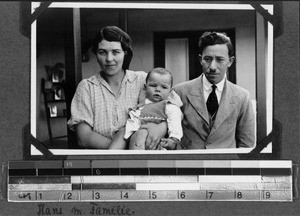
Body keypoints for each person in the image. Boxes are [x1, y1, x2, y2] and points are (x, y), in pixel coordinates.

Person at [67, 26, 166, 149]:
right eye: (102, 52)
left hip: (144, 158)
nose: (109, 59)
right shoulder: (87, 87)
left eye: (115, 52)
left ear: (125, 53)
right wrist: (129, 149)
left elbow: (169, 109)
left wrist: (160, 128)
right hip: (106, 161)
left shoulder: (142, 80)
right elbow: (84, 137)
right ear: (96, 54)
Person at [174, 31, 255, 149]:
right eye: (207, 59)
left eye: (220, 60)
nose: (212, 67)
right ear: (200, 59)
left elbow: (246, 145)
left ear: (230, 61)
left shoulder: (242, 96)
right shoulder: (179, 92)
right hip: (189, 165)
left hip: (225, 166)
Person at [124, 67, 183, 150]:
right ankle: (113, 155)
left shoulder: (169, 105)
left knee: (142, 135)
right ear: (145, 87)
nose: (158, 90)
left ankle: (137, 160)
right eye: (153, 85)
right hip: (139, 136)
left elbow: (175, 121)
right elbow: (136, 117)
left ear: (170, 91)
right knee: (122, 133)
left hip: (158, 140)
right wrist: (131, 133)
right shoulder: (143, 103)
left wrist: (173, 138)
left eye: (164, 87)